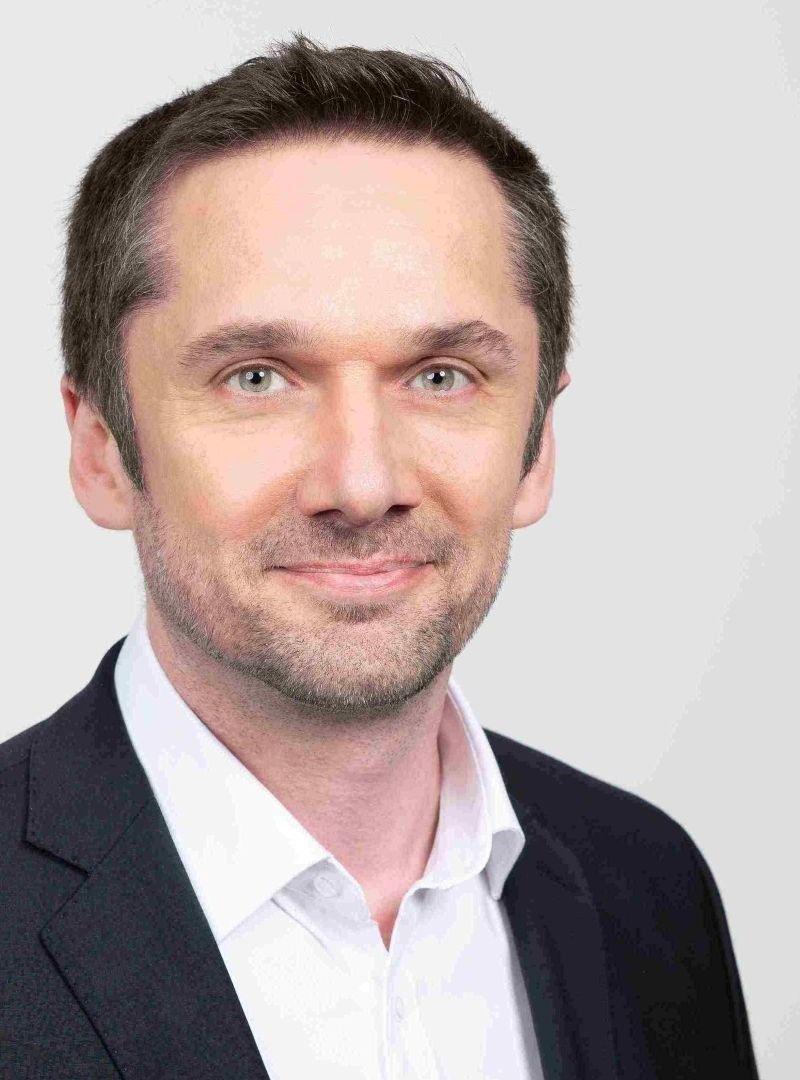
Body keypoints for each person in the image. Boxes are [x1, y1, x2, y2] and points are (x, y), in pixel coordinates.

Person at [0, 32, 758, 1080]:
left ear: (537, 447)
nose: (361, 485)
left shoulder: (649, 894)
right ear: (99, 450)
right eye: (257, 377)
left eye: (441, 376)